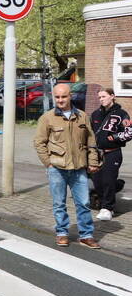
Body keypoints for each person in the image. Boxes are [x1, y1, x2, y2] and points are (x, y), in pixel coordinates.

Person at [33, 83, 101, 249]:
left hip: (79, 169)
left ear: (70, 96)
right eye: (57, 97)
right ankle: (62, 233)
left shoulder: (83, 117)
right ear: (53, 97)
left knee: (84, 203)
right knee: (59, 204)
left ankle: (86, 235)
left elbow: (91, 141)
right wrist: (48, 163)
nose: (61, 100)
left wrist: (92, 162)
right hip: (57, 168)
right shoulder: (47, 118)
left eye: (64, 96)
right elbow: (39, 143)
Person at [91, 88, 129, 221]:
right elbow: (90, 133)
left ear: (112, 96)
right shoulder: (95, 114)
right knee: (97, 181)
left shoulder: (122, 114)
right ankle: (114, 189)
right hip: (97, 154)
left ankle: (108, 208)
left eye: (104, 96)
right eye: (99, 97)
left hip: (113, 153)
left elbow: (129, 133)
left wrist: (112, 138)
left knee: (107, 180)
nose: (101, 99)